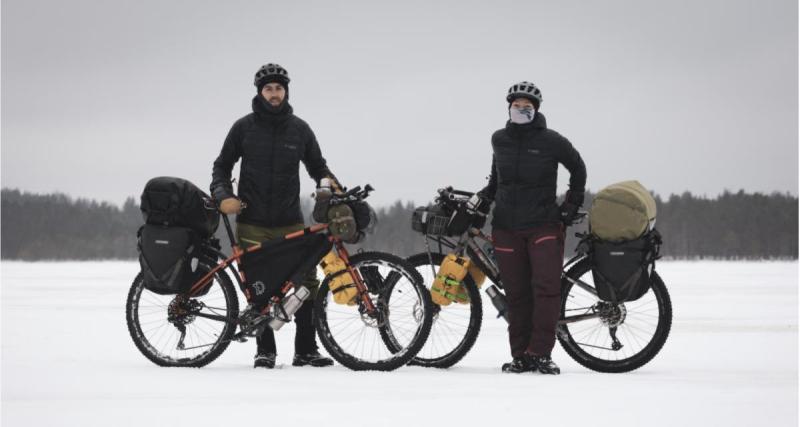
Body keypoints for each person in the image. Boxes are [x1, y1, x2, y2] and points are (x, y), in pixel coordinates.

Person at [211, 63, 337, 369]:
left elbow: (318, 168)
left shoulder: (300, 129)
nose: (274, 94)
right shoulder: (243, 128)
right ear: (259, 92)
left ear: (286, 91)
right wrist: (224, 196)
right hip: (252, 221)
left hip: (289, 219)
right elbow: (221, 167)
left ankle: (305, 350)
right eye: (268, 89)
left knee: (308, 280)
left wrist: (334, 186)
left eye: (279, 88)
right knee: (259, 287)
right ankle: (264, 350)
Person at [478, 81, 587, 375]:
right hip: (506, 227)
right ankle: (520, 356)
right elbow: (495, 180)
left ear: (536, 110)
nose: (521, 110)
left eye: (527, 107)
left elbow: (578, 169)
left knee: (546, 291)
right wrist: (482, 202)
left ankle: (540, 353)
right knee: (517, 294)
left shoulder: (552, 141)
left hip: (543, 226)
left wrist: (569, 207)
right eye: (516, 106)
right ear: (509, 107)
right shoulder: (498, 139)